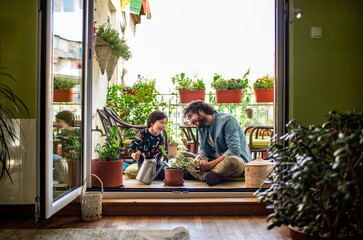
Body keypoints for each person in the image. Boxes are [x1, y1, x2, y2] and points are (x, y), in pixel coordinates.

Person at [183, 100, 252, 186]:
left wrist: (210, 165)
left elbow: (234, 150)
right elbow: (204, 149)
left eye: (190, 116)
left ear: (201, 111)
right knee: (183, 156)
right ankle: (208, 176)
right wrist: (198, 158)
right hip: (215, 162)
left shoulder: (227, 120)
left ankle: (198, 174)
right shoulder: (201, 126)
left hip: (235, 161)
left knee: (231, 161)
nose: (190, 122)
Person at [128, 110, 168, 180]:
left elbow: (160, 154)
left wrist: (156, 164)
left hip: (156, 162)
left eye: (165, 123)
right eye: (161, 122)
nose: (163, 126)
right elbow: (131, 148)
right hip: (143, 162)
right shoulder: (142, 134)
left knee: (164, 173)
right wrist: (134, 155)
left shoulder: (161, 138)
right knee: (144, 176)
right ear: (152, 123)